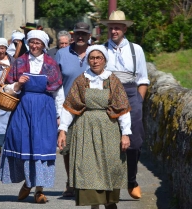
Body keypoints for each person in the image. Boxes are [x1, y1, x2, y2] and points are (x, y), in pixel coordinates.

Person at [57, 45, 131, 209]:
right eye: (92, 58)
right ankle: (94, 205)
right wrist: (63, 130)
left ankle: (110, 203)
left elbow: (122, 109)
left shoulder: (112, 80)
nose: (95, 61)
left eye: (99, 58)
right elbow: (70, 107)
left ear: (105, 60)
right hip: (85, 128)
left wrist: (125, 133)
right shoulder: (81, 80)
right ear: (88, 60)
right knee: (88, 167)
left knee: (111, 164)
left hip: (109, 128)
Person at [0, 30, 64, 204]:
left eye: (38, 43)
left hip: (44, 110)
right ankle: (28, 183)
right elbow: (6, 89)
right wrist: (18, 84)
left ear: (44, 45)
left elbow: (58, 93)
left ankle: (39, 190)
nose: (35, 46)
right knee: (25, 145)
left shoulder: (51, 63)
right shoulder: (19, 62)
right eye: (32, 42)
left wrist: (59, 116)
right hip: (23, 109)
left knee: (42, 147)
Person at [99, 10, 150, 199]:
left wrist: (139, 100)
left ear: (124, 28)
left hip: (131, 94)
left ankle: (131, 180)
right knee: (108, 141)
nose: (114, 31)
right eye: (111, 28)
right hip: (108, 94)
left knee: (134, 142)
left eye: (117, 28)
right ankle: (109, 183)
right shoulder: (101, 49)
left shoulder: (136, 50)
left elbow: (143, 79)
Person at [55, 22, 91, 197]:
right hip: (67, 107)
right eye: (78, 33)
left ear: (89, 35)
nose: (81, 37)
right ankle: (70, 182)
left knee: (88, 147)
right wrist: (57, 112)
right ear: (73, 35)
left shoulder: (96, 54)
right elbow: (55, 83)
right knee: (67, 148)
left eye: (84, 34)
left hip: (91, 108)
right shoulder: (61, 54)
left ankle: (85, 182)